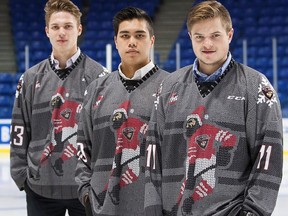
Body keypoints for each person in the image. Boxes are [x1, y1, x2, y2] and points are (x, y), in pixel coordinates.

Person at [144, 1, 283, 216]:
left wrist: (254, 212)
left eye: (215, 35)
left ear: (229, 35)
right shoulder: (168, 87)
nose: (207, 43)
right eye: (199, 36)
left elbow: (268, 157)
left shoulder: (256, 87)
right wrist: (152, 209)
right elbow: (153, 154)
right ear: (190, 37)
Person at [10, 0, 109, 215]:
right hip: (39, 189)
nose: (61, 32)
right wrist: (22, 176)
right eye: (55, 27)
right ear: (47, 31)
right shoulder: (29, 78)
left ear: (79, 29)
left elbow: (107, 135)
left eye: (68, 26)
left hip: (86, 189)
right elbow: (19, 129)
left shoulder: (100, 78)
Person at [75, 7, 169, 216]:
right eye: (125, 36)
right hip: (102, 207)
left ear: (151, 40)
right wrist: (86, 194)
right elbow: (82, 146)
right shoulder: (96, 90)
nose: (132, 42)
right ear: (116, 41)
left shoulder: (172, 88)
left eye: (139, 35)